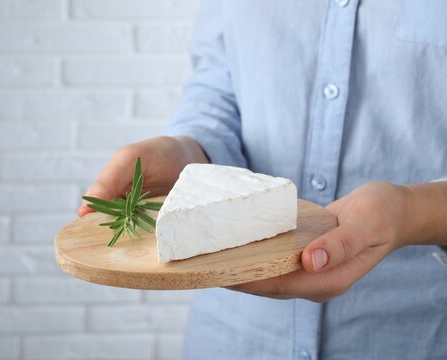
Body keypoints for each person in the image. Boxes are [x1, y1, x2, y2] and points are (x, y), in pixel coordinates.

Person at [78, 1, 447, 358]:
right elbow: (218, 87)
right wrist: (191, 151)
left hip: (411, 333)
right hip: (232, 333)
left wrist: (413, 211)